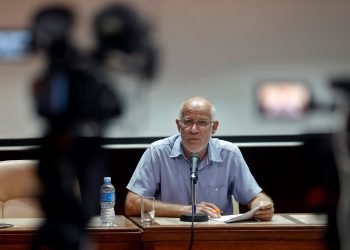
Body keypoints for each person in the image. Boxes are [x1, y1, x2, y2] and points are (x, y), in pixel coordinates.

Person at [125, 96, 274, 220]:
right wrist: (187, 210)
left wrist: (262, 205)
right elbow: (132, 204)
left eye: (202, 123)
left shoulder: (229, 154)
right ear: (179, 125)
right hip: (170, 235)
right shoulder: (157, 152)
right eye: (188, 122)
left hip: (217, 237)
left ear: (214, 127)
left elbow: (254, 197)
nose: (194, 130)